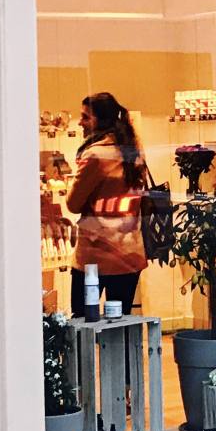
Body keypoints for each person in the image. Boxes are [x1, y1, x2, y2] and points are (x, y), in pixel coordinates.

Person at [63, 92, 147, 312]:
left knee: (84, 320)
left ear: (101, 120)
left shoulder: (95, 155)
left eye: (85, 117)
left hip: (97, 252)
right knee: (120, 322)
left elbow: (73, 204)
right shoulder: (132, 150)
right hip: (128, 253)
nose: (80, 122)